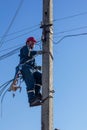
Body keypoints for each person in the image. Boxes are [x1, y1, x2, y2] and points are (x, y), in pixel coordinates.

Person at [14, 37, 42, 106]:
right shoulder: (24, 48)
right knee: (31, 82)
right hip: (25, 68)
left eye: (34, 43)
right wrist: (37, 52)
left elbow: (33, 65)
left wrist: (37, 67)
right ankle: (31, 99)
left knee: (41, 77)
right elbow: (28, 53)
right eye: (32, 42)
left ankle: (37, 94)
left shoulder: (33, 56)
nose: (33, 44)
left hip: (31, 69)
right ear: (27, 42)